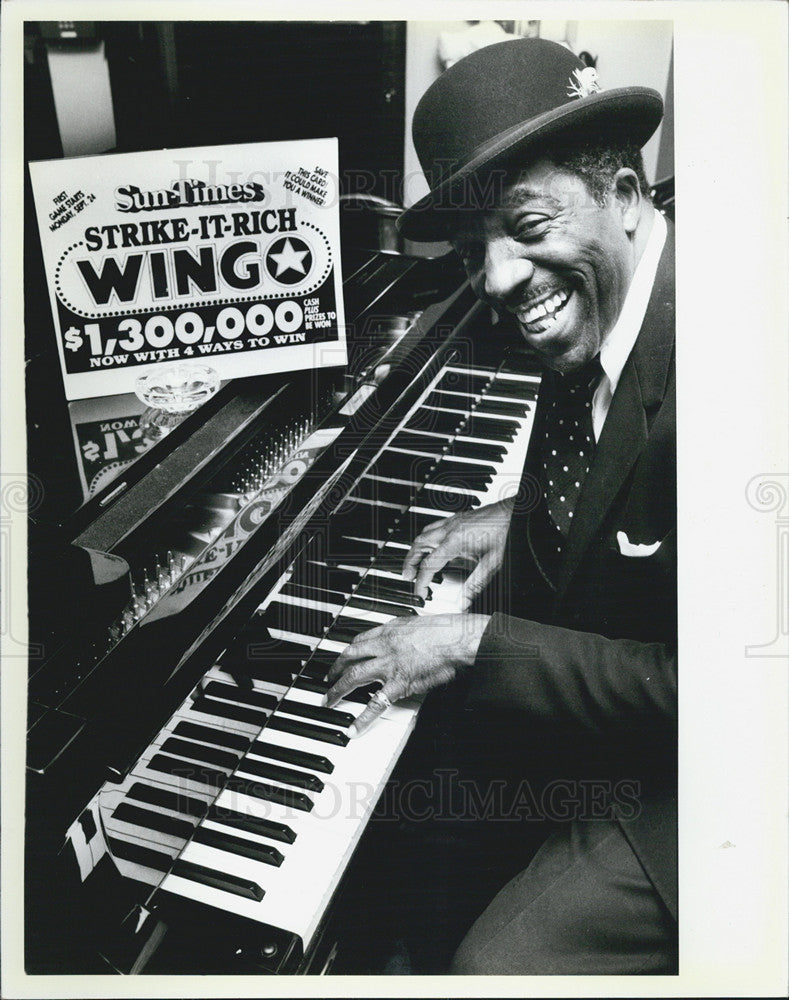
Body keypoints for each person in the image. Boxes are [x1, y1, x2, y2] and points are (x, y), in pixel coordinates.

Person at [325, 37, 677, 974]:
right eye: (478, 247)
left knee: (497, 968)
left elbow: (728, 690)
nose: (496, 280)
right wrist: (522, 514)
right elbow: (627, 463)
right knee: (411, 813)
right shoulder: (606, 302)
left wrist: (473, 642)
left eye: (526, 227)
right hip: (624, 701)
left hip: (721, 781)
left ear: (627, 197)